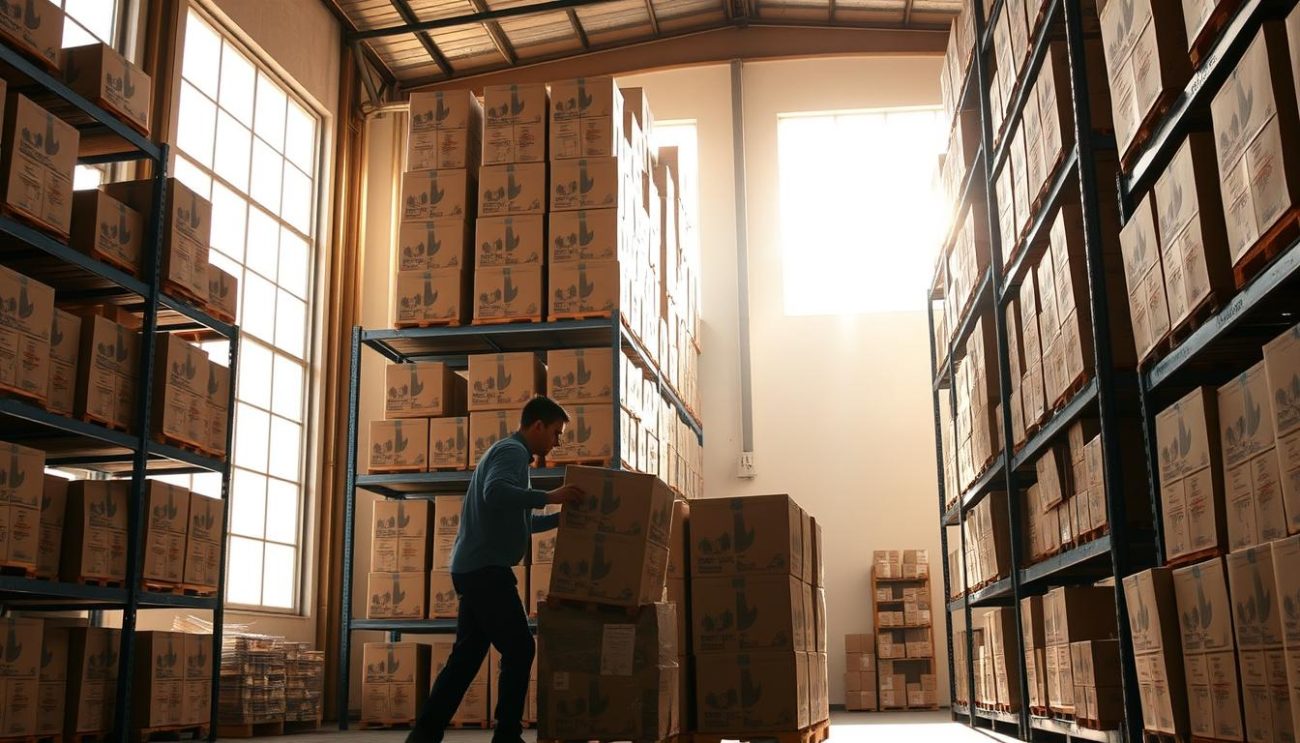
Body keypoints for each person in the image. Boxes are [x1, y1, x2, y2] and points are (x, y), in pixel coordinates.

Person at [407, 396, 584, 743]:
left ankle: (424, 735)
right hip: (486, 569)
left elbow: (519, 521)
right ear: (537, 426)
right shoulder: (512, 452)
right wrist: (551, 496)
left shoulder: (511, 455)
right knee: (520, 648)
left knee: (466, 658)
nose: (556, 442)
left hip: (474, 568)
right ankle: (506, 735)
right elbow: (496, 493)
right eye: (555, 433)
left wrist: (561, 520)